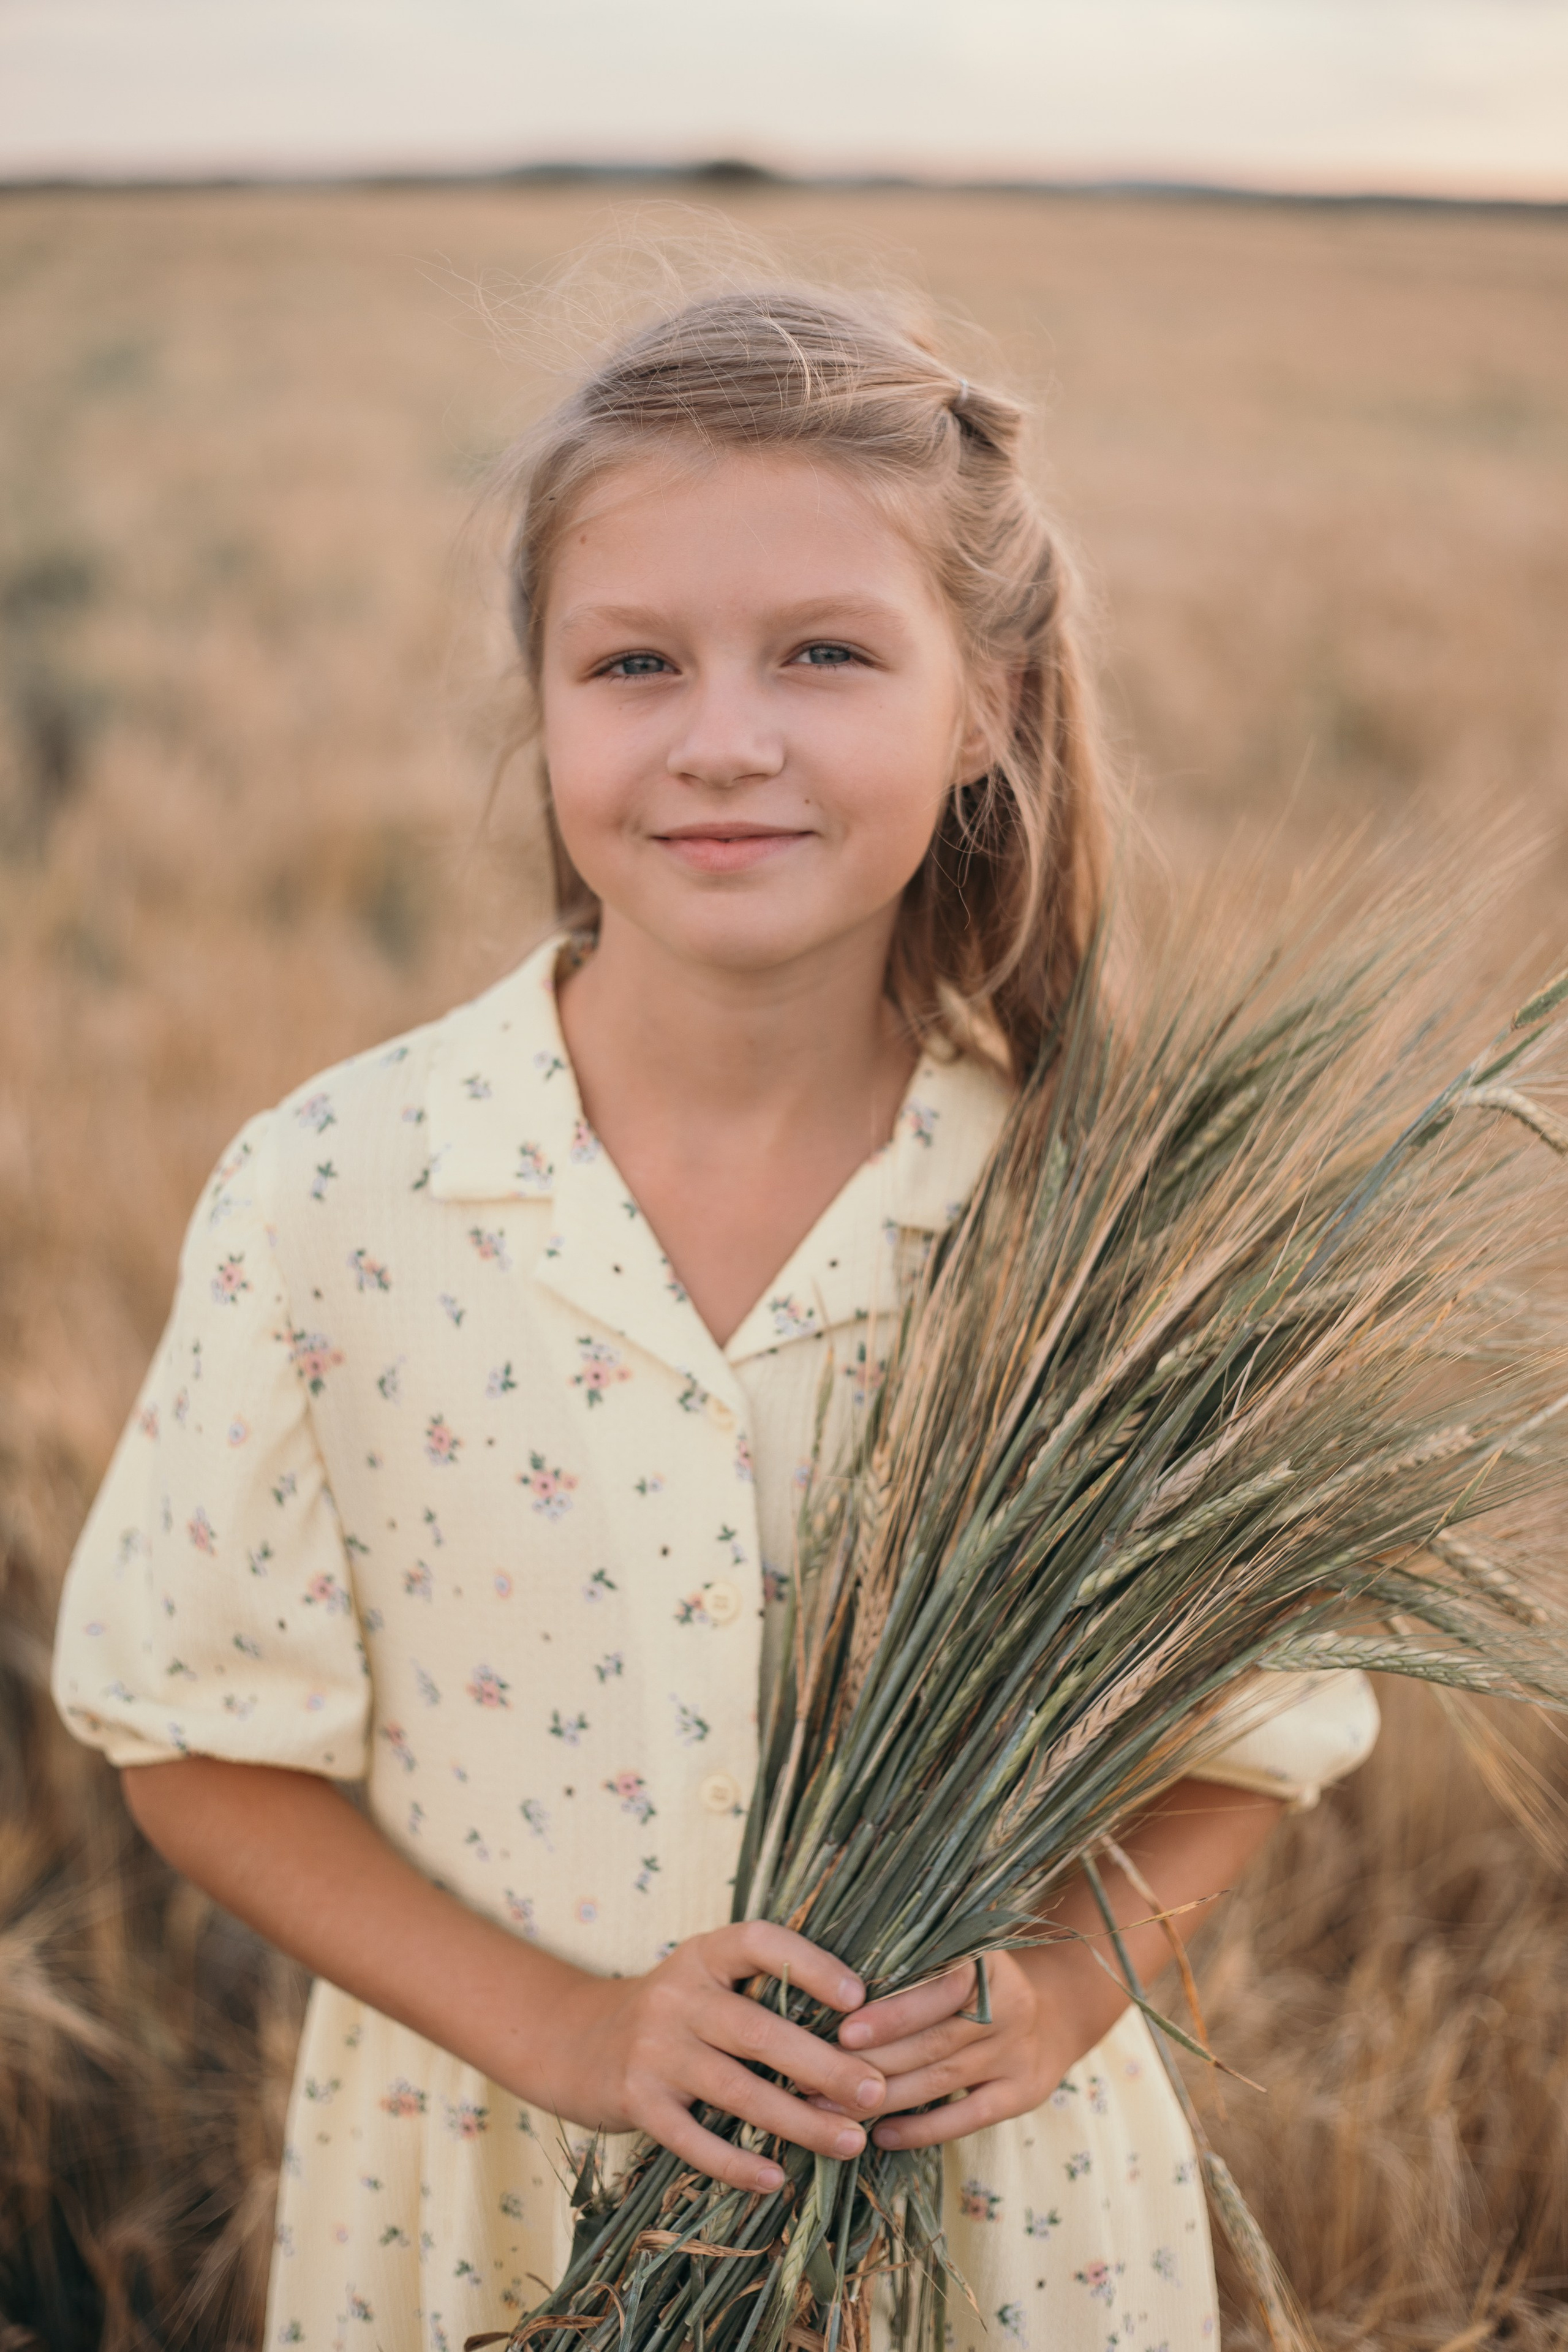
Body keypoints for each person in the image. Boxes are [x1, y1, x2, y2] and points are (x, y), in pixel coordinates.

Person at [52, 283, 1380, 2352]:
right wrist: (576, 2034)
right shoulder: (338, 1193)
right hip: (495, 2183)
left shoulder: (1099, 1225)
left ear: (989, 708)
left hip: (979, 2226)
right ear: (546, 701)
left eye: (827, 654)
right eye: (633, 662)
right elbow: (194, 1746)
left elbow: (1251, 1737)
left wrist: (1056, 1987)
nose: (722, 737)